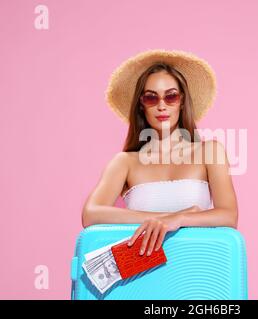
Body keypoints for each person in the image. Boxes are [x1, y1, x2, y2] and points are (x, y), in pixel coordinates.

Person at [82, 49, 238, 258]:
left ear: (182, 102)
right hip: (141, 275)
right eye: (151, 98)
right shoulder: (125, 162)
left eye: (171, 96)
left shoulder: (210, 151)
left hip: (200, 266)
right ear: (141, 105)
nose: (162, 106)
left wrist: (180, 220)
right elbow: (91, 214)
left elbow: (229, 215)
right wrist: (169, 217)